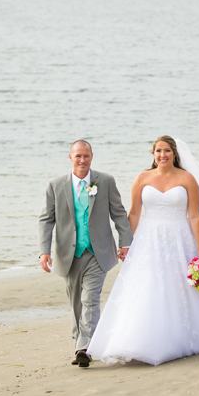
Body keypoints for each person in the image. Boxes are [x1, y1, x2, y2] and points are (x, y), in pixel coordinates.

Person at [88, 136, 199, 366]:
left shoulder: (187, 178)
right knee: (148, 285)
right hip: (149, 240)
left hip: (180, 239)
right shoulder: (142, 178)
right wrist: (125, 243)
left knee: (180, 287)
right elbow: (134, 213)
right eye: (158, 151)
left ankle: (183, 337)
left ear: (174, 153)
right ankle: (143, 340)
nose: (162, 155)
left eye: (166, 151)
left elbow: (194, 215)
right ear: (153, 153)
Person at [38, 140, 133, 368]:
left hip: (98, 252)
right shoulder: (55, 185)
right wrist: (44, 251)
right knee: (76, 304)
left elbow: (119, 214)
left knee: (90, 299)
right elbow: (46, 219)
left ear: (92, 156)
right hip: (68, 254)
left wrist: (125, 243)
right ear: (70, 157)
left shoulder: (105, 181)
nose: (82, 160)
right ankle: (79, 345)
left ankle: (85, 348)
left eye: (86, 155)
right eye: (78, 156)